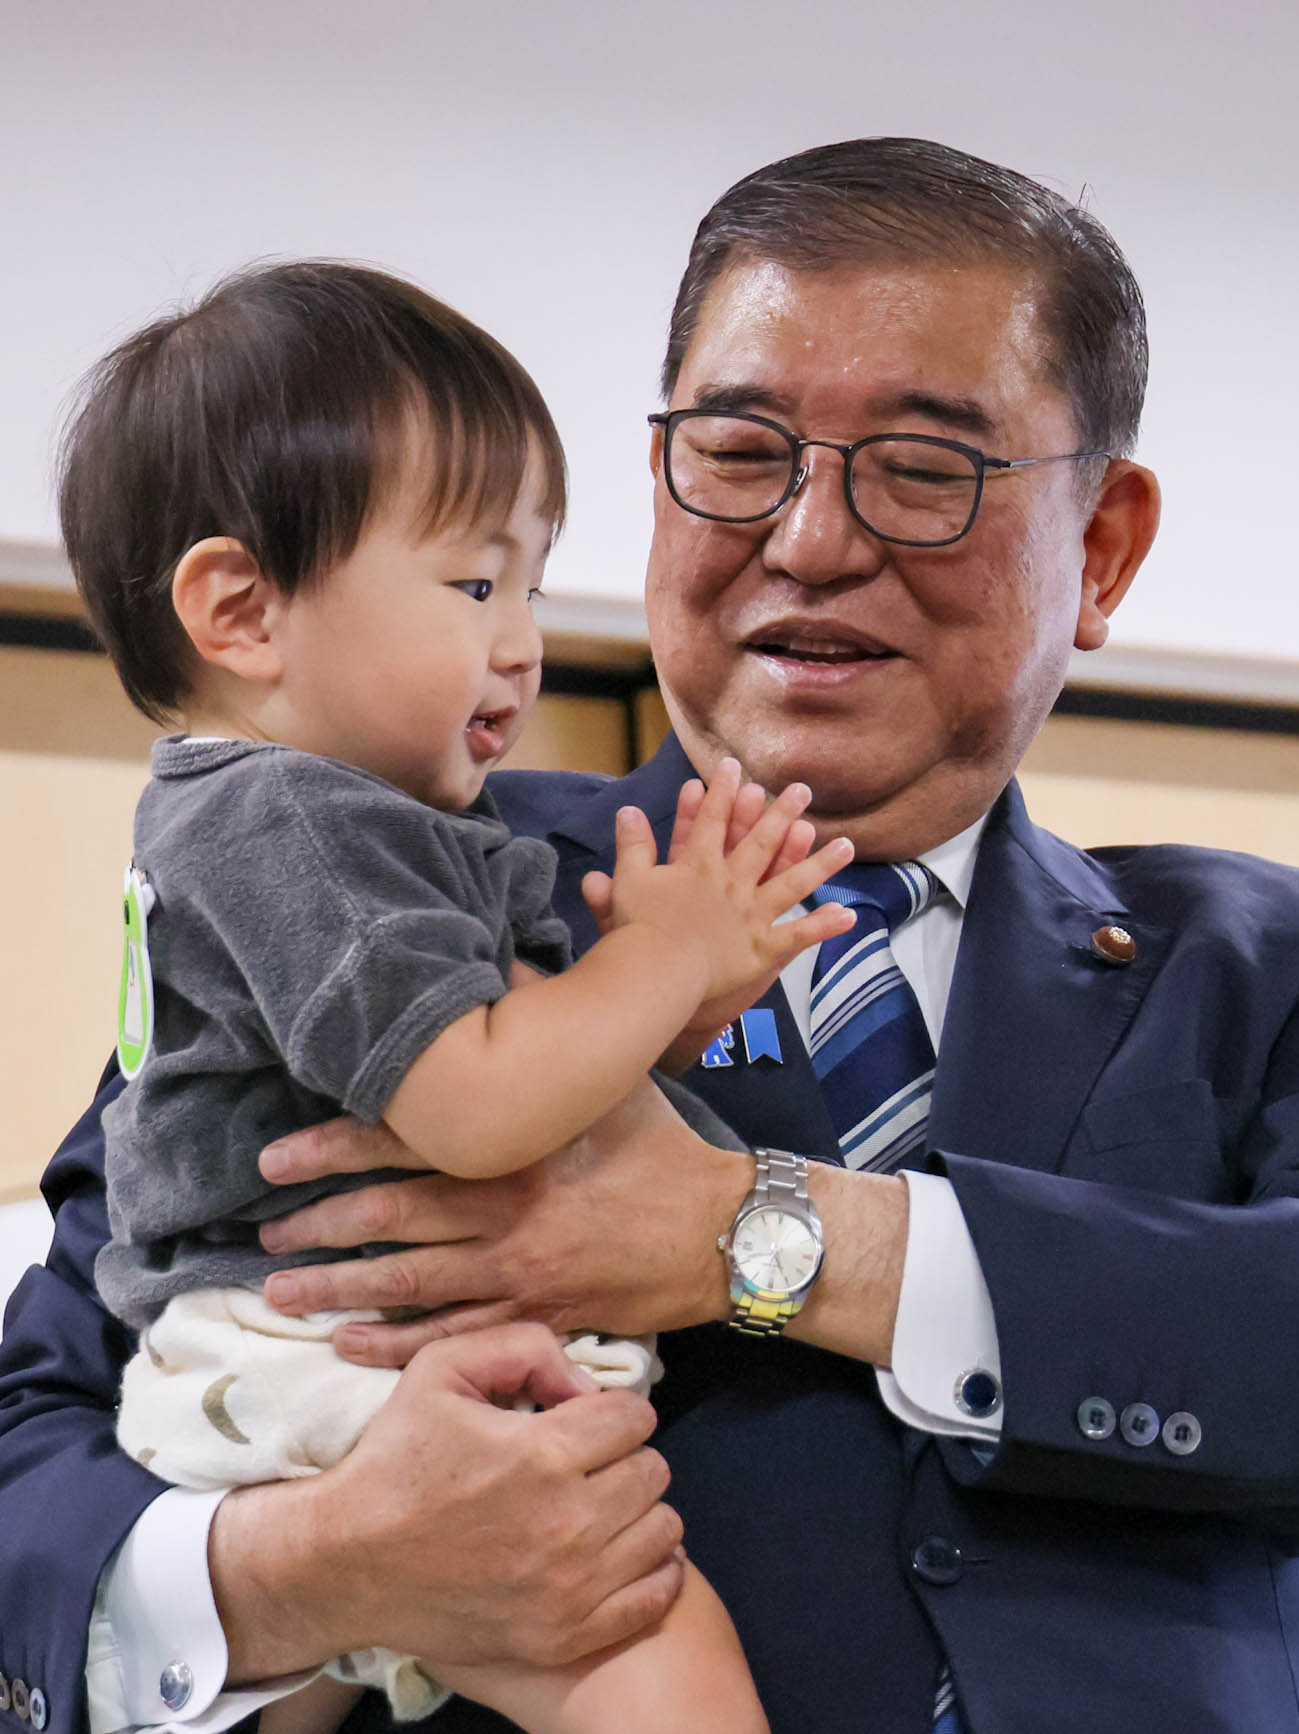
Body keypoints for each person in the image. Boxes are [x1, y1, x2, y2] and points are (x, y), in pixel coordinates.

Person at [0, 137, 1299, 1734]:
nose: (811, 540)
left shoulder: (1282, 965)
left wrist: (775, 1239)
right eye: (740, 454)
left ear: (1100, 546)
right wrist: (327, 1562)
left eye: (921, 467)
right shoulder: (397, 887)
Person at [57, 261, 862, 1731]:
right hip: (332, 1359)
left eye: (534, 583)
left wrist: (664, 1013)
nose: (523, 639)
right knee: (646, 1635)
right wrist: (657, 958)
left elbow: (480, 1072)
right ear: (241, 607)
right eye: (475, 581)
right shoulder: (298, 822)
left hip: (282, 1369)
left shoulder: (298, 822)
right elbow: (480, 1101)